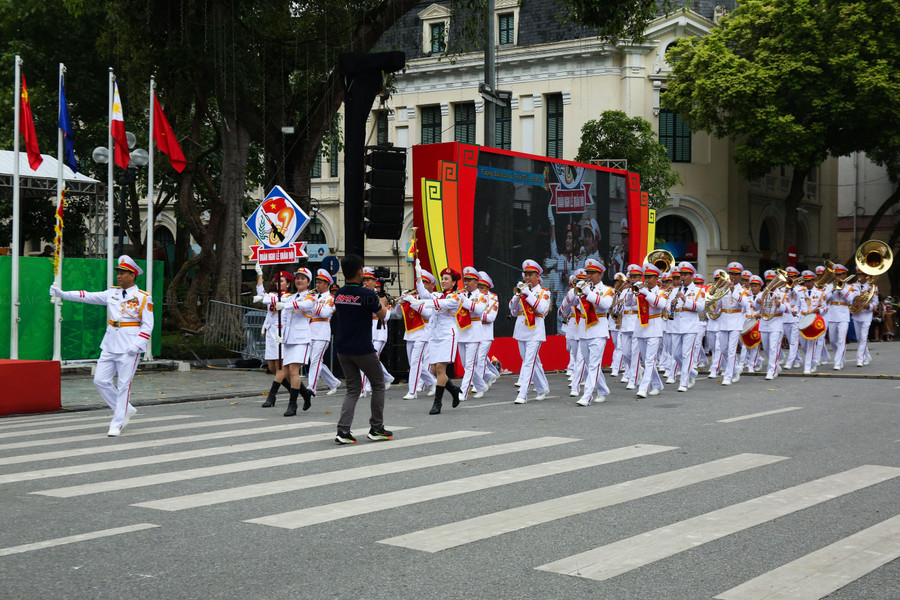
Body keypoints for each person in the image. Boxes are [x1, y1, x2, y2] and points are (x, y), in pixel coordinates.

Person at [49, 255, 153, 437]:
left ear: (133, 275)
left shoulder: (143, 298)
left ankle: (117, 423)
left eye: (123, 273)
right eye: (118, 273)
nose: (119, 276)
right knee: (100, 380)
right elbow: (87, 296)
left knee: (124, 385)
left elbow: (148, 325)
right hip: (110, 343)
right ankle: (125, 409)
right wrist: (63, 294)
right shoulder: (112, 293)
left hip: (129, 346)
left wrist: (137, 345)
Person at [332, 254, 392, 444]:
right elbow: (382, 315)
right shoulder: (367, 294)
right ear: (359, 272)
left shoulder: (339, 294)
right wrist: (382, 303)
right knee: (378, 384)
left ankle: (343, 430)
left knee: (352, 389)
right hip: (363, 348)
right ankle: (377, 428)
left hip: (342, 348)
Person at [413, 264, 464, 414]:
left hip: (447, 335)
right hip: (435, 335)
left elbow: (441, 304)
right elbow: (424, 293)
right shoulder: (438, 295)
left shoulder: (456, 297)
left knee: (441, 368)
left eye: (446, 279)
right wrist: (418, 276)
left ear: (453, 282)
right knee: (434, 370)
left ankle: (437, 403)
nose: (443, 281)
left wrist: (424, 302)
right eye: (442, 279)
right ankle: (453, 390)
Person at [509, 259, 552, 404]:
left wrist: (528, 294)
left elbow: (542, 309)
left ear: (537, 276)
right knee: (533, 361)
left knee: (529, 362)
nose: (527, 278)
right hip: (521, 329)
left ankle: (523, 394)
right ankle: (542, 388)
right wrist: (517, 297)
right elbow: (513, 311)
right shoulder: (522, 290)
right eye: (525, 274)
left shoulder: (544, 292)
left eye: (530, 275)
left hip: (535, 330)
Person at [573, 258, 614, 406]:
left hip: (598, 330)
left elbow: (605, 304)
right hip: (584, 330)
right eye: (588, 272)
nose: (589, 276)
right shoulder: (584, 288)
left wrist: (588, 293)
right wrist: (575, 292)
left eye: (592, 273)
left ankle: (587, 396)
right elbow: (574, 305)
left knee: (594, 365)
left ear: (600, 274)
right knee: (589, 363)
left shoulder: (607, 290)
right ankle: (603, 390)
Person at [277, 268, 317, 416]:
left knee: (294, 371)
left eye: (303, 278)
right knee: (286, 373)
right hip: (288, 339)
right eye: (298, 278)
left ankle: (292, 404)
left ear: (308, 282)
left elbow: (305, 306)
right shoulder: (291, 297)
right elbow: (284, 316)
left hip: (301, 339)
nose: (299, 280)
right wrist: (280, 333)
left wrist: (286, 305)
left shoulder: (311, 297)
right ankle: (305, 394)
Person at [254, 268, 294, 407]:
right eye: (277, 281)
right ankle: (295, 390)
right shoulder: (272, 295)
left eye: (281, 281)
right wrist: (260, 274)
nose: (278, 283)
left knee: (280, 368)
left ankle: (271, 397)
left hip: (280, 333)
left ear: (288, 284)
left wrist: (262, 298)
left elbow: (267, 299)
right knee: (271, 367)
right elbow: (262, 295)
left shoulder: (289, 297)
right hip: (271, 333)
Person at [394, 271, 434, 400]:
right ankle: (432, 382)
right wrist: (401, 302)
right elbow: (399, 313)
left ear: (431, 285)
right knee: (413, 363)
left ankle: (412, 391)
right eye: (421, 282)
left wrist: (412, 301)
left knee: (416, 362)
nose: (423, 286)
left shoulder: (431, 298)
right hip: (410, 333)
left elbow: (427, 314)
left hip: (423, 333)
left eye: (425, 283)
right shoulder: (413, 296)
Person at [666, 262, 705, 392]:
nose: (682, 277)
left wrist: (685, 300)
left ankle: (684, 382)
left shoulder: (699, 290)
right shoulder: (674, 290)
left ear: (691, 275)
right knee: (677, 354)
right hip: (676, 325)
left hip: (690, 326)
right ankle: (691, 372)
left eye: (685, 274)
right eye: (681, 274)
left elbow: (701, 307)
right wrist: (671, 305)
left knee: (686, 354)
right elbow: (666, 307)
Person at [631, 263, 666, 398]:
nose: (647, 280)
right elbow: (629, 305)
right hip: (640, 327)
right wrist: (631, 293)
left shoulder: (661, 292)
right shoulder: (640, 290)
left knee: (650, 360)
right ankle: (657, 384)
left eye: (650, 277)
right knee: (646, 360)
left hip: (654, 327)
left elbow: (662, 304)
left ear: (656, 278)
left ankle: (643, 388)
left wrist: (647, 294)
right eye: (646, 277)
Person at [307, 269, 341, 395]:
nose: (317, 285)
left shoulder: (332, 298)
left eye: (320, 282)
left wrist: (313, 302)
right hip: (310, 331)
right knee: (314, 360)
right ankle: (333, 382)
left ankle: (311, 388)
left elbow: (325, 313)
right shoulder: (313, 296)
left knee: (315, 361)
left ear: (327, 284)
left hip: (322, 332)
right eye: (317, 282)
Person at [457, 267, 487, 401]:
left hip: (474, 332)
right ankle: (481, 385)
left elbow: (479, 310)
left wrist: (464, 300)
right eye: (465, 280)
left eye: (469, 280)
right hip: (462, 331)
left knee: (469, 365)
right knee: (465, 364)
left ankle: (463, 392)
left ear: (476, 282)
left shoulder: (482, 296)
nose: (466, 283)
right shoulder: (461, 294)